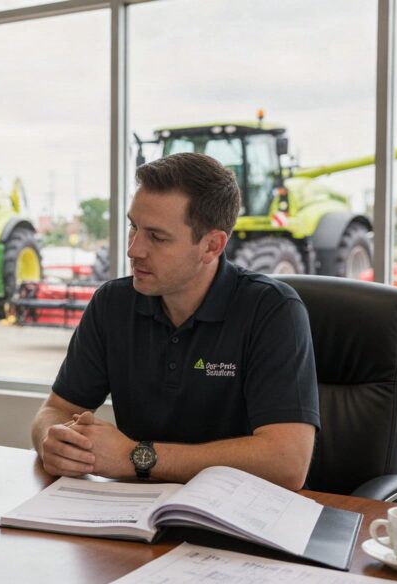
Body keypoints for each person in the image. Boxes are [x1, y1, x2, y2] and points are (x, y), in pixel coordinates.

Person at [31, 152, 319, 490]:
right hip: (135, 518)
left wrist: (136, 457)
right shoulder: (112, 304)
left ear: (212, 246)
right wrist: (55, 442)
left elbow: (287, 463)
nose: (134, 250)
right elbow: (56, 409)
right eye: (133, 227)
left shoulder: (272, 310)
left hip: (239, 518)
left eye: (157, 236)